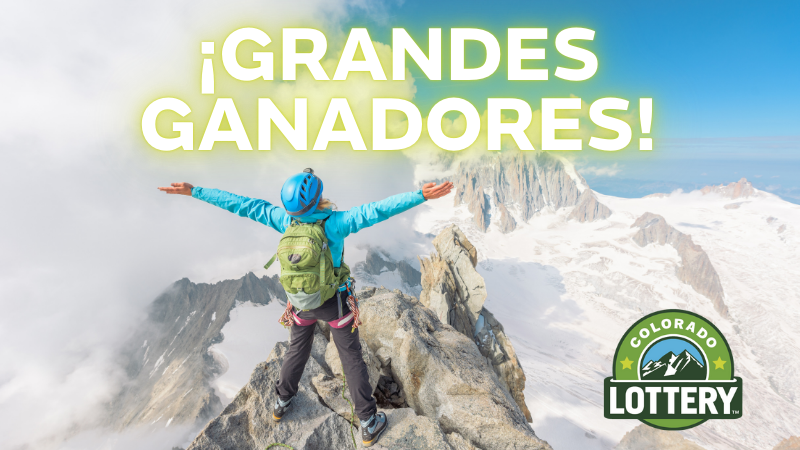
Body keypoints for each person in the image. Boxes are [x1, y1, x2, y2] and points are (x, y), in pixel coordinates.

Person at [158, 169, 452, 447]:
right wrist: (420, 196)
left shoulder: (284, 220)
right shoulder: (336, 223)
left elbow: (242, 205)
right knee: (351, 357)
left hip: (300, 303)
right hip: (334, 305)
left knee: (297, 349)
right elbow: (378, 209)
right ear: (320, 198)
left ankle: (281, 401)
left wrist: (195, 191)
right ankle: (368, 421)